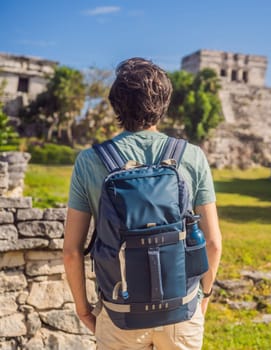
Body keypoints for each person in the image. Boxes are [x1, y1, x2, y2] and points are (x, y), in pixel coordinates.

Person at [63, 57, 222, 349]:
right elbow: (213, 243)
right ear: (164, 104)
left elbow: (72, 252)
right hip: (182, 308)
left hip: (119, 309)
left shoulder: (90, 161)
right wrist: (204, 297)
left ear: (116, 106)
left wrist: (84, 309)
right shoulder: (192, 156)